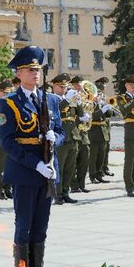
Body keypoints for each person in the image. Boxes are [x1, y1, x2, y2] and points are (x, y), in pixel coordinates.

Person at [0, 47, 62, 267]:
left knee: (41, 227)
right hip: (25, 172)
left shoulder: (51, 100)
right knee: (23, 226)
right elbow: (8, 143)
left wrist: (56, 138)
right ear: (19, 73)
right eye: (30, 70)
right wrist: (36, 165)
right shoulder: (8, 104)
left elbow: (61, 132)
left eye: (38, 69)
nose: (36, 73)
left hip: (48, 173)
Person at [48, 75, 79, 204]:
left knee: (70, 168)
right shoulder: (52, 98)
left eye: (65, 87)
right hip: (60, 138)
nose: (63, 89)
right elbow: (56, 112)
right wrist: (66, 99)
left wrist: (79, 102)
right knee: (59, 167)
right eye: (61, 86)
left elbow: (80, 115)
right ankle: (58, 194)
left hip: (72, 136)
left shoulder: (69, 99)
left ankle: (66, 192)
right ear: (54, 86)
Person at [92, 77, 113, 180]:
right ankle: (93, 174)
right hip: (95, 128)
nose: (104, 87)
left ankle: (102, 170)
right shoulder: (91, 98)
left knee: (103, 151)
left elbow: (110, 114)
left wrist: (107, 107)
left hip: (104, 128)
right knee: (94, 154)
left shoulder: (105, 98)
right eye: (102, 86)